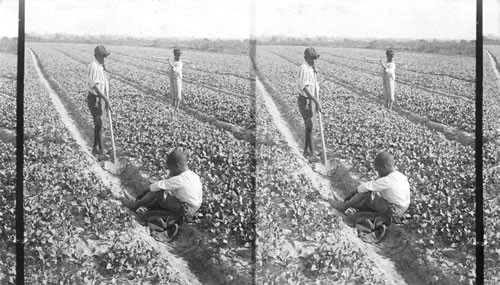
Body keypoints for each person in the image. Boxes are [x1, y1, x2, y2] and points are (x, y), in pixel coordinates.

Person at [121, 149, 203, 219]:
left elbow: (158, 186)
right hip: (192, 208)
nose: (171, 172)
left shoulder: (181, 179)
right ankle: (139, 202)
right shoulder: (193, 176)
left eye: (171, 169)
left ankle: (135, 205)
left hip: (186, 210)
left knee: (158, 191)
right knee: (164, 193)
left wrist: (144, 191)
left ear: (177, 166)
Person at [329, 151, 410, 221]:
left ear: (385, 167)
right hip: (402, 208)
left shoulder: (388, 180)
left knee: (366, 192)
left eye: (378, 170)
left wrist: (352, 192)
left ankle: (344, 206)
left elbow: (366, 187)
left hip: (394, 211)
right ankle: (349, 203)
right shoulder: (400, 176)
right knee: (372, 194)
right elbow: (375, 184)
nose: (378, 173)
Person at [87, 45, 112, 161]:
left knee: (98, 124)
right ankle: (101, 152)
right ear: (96, 56)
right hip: (96, 98)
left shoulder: (99, 66)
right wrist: (106, 99)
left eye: (105, 57)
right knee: (100, 124)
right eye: (102, 57)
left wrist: (104, 67)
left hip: (99, 98)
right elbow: (96, 87)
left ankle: (96, 148)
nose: (104, 59)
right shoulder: (94, 66)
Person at [297, 47, 322, 162]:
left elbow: (313, 85)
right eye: (312, 58)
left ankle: (307, 150)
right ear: (305, 58)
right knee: (310, 126)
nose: (314, 61)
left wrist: (314, 70)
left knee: (309, 126)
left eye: (315, 58)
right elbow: (306, 89)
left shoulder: (311, 68)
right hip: (305, 100)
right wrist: (316, 101)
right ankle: (311, 154)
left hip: (310, 100)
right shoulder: (304, 69)